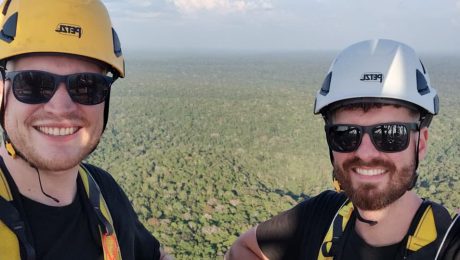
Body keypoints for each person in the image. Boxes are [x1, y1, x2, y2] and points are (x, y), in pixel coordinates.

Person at [225, 39, 455, 260]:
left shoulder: (450, 246)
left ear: (421, 143)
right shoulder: (318, 217)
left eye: (390, 134)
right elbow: (243, 250)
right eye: (346, 134)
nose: (365, 153)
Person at [0, 0, 169, 259]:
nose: (61, 107)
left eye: (86, 86)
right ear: (2, 91)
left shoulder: (105, 194)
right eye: (33, 84)